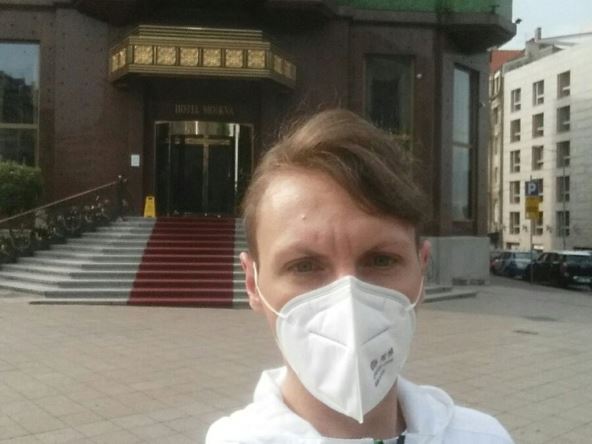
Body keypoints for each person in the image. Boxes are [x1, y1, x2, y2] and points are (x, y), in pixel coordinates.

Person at [206, 109, 513, 444]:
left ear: (421, 270)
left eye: (381, 260)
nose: (348, 300)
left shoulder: (484, 437)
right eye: (304, 266)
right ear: (253, 283)